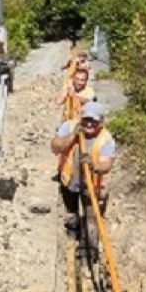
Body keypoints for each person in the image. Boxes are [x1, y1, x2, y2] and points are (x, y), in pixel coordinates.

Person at [49, 101, 115, 237]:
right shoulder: (69, 126)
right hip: (69, 181)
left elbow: (106, 165)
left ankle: (91, 244)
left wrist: (94, 165)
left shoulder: (106, 139)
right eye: (86, 120)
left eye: (94, 121)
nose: (89, 124)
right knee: (71, 211)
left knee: (91, 217)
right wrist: (72, 136)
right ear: (81, 118)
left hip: (91, 185)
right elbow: (55, 147)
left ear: (101, 122)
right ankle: (73, 230)